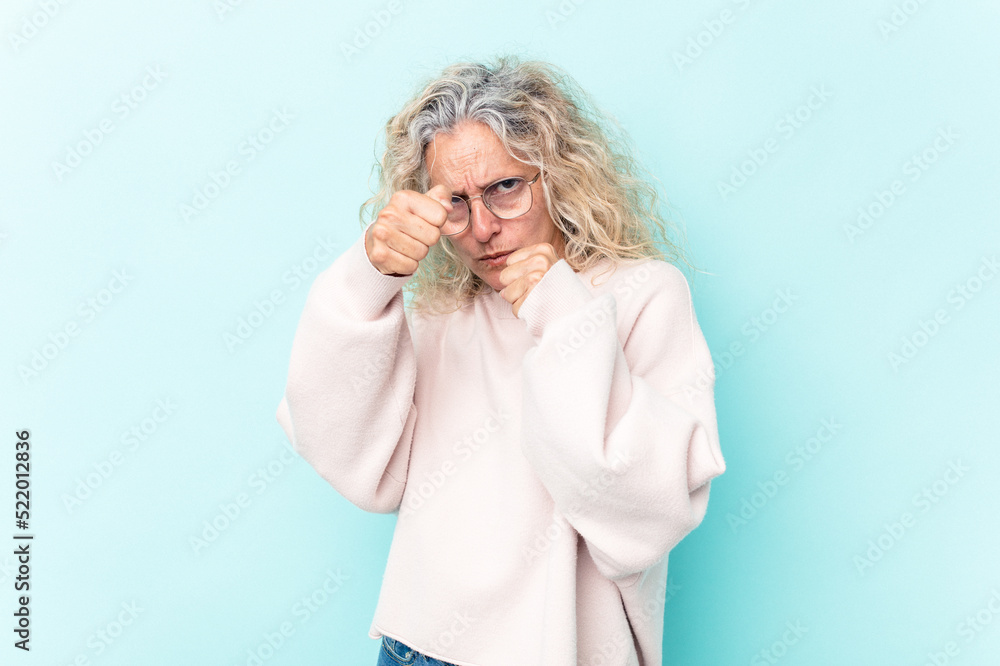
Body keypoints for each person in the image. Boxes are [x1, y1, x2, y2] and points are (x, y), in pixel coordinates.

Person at [276, 54, 726, 666]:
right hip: (417, 651)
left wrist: (562, 315)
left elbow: (648, 515)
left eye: (505, 188)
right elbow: (352, 458)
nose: (483, 227)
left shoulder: (644, 294)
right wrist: (368, 276)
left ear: (558, 173)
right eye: (455, 203)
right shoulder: (441, 313)